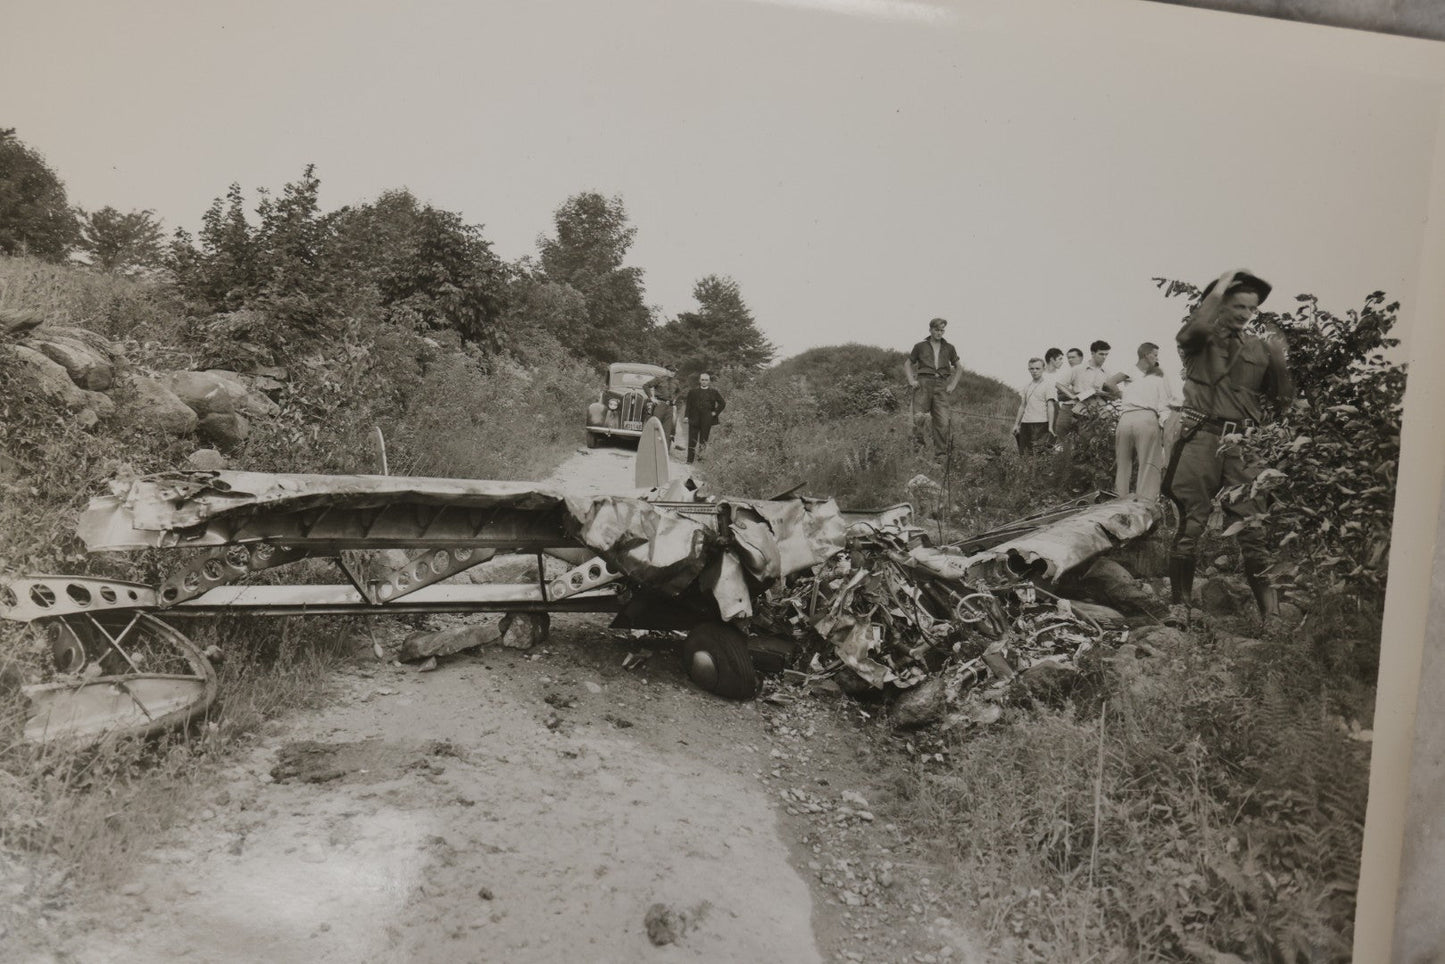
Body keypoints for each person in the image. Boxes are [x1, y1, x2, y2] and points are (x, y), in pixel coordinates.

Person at [1162, 268, 1294, 626]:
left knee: (1254, 529)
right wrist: (1219, 286)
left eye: (1250, 308)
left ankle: (1273, 618)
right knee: (1191, 523)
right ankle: (1180, 608)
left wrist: (1280, 362)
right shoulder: (1198, 341)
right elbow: (1196, 327)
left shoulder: (1259, 347)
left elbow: (1282, 397)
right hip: (1202, 438)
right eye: (1236, 305)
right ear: (1218, 304)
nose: (1244, 314)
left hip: (1243, 446)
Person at [1105, 342, 1171, 500]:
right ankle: (1145, 502)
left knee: (1123, 464)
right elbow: (1164, 405)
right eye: (1155, 355)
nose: (1156, 358)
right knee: (1148, 464)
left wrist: (1123, 396)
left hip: (1125, 418)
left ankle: (1119, 501)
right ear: (1147, 355)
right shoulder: (1157, 377)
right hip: (1146, 418)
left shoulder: (1129, 370)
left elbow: (1109, 383)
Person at [903, 317, 961, 460]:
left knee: (942, 421)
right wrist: (911, 381)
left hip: (941, 385)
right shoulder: (920, 346)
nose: (939, 333)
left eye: (942, 330)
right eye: (936, 329)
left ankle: (940, 457)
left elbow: (959, 367)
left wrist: (952, 385)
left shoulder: (949, 347)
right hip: (923, 383)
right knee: (918, 419)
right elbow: (907, 364)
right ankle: (918, 455)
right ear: (930, 330)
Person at [1012, 357, 1057, 455]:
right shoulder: (1027, 386)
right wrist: (1016, 424)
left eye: (1037, 368)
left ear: (1043, 369)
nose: (1034, 371)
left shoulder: (1048, 385)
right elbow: (1022, 406)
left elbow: (1050, 406)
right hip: (1025, 423)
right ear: (1029, 369)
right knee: (1024, 453)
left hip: (1041, 423)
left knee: (1038, 453)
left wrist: (1050, 426)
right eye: (1032, 369)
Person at [683, 371, 726, 463]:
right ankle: (689, 460)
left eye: (706, 380)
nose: (704, 382)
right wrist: (686, 417)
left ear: (709, 381)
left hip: (707, 419)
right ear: (699, 380)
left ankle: (700, 459)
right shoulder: (692, 392)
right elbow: (688, 405)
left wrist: (715, 413)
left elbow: (722, 403)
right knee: (692, 439)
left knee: (704, 439)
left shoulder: (714, 392)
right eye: (702, 380)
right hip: (694, 418)